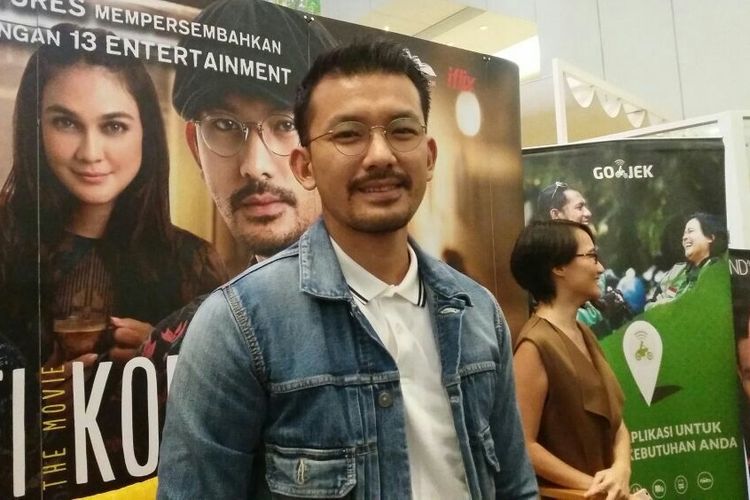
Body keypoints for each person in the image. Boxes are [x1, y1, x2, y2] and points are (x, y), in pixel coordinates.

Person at [157, 39, 537, 499]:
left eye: (402, 130)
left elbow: (515, 486)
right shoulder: (239, 325)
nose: (380, 156)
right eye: (349, 134)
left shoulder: (477, 311)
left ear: (429, 157)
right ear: (305, 166)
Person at [0, 24, 226, 496]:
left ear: (146, 133)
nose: (90, 153)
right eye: (65, 123)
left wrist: (164, 354)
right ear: (34, 128)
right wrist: (29, 402)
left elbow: (227, 418)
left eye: (114, 126)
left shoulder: (193, 262)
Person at [510, 220, 632, 499]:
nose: (600, 268)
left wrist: (621, 469)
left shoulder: (584, 332)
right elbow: (524, 445)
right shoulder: (535, 344)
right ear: (558, 266)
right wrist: (597, 487)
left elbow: (616, 422)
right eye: (591, 256)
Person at [536, 181, 631, 336]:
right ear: (556, 214)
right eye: (579, 207)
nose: (588, 213)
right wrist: (603, 311)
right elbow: (559, 317)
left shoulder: (578, 246)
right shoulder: (546, 256)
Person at [645, 212, 728, 309]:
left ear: (710, 237)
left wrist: (666, 303)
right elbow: (650, 305)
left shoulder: (717, 269)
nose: (683, 238)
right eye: (684, 233)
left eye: (690, 231)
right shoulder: (678, 272)